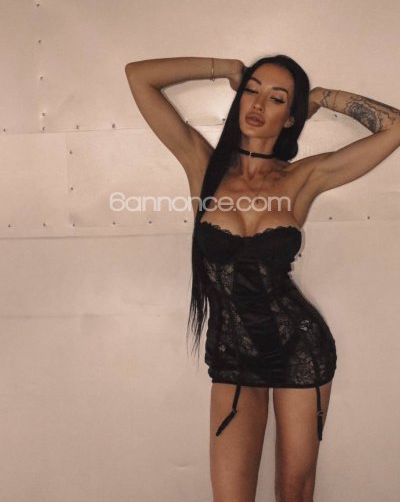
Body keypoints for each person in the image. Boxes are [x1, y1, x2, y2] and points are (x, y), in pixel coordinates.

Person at [124, 56, 400, 502]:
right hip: (232, 354)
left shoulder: (303, 177)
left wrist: (321, 97)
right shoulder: (204, 166)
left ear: (290, 117)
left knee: (294, 494)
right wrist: (224, 68)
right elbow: (138, 77)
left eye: (276, 98)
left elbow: (395, 128)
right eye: (252, 90)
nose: (257, 104)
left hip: (299, 348)